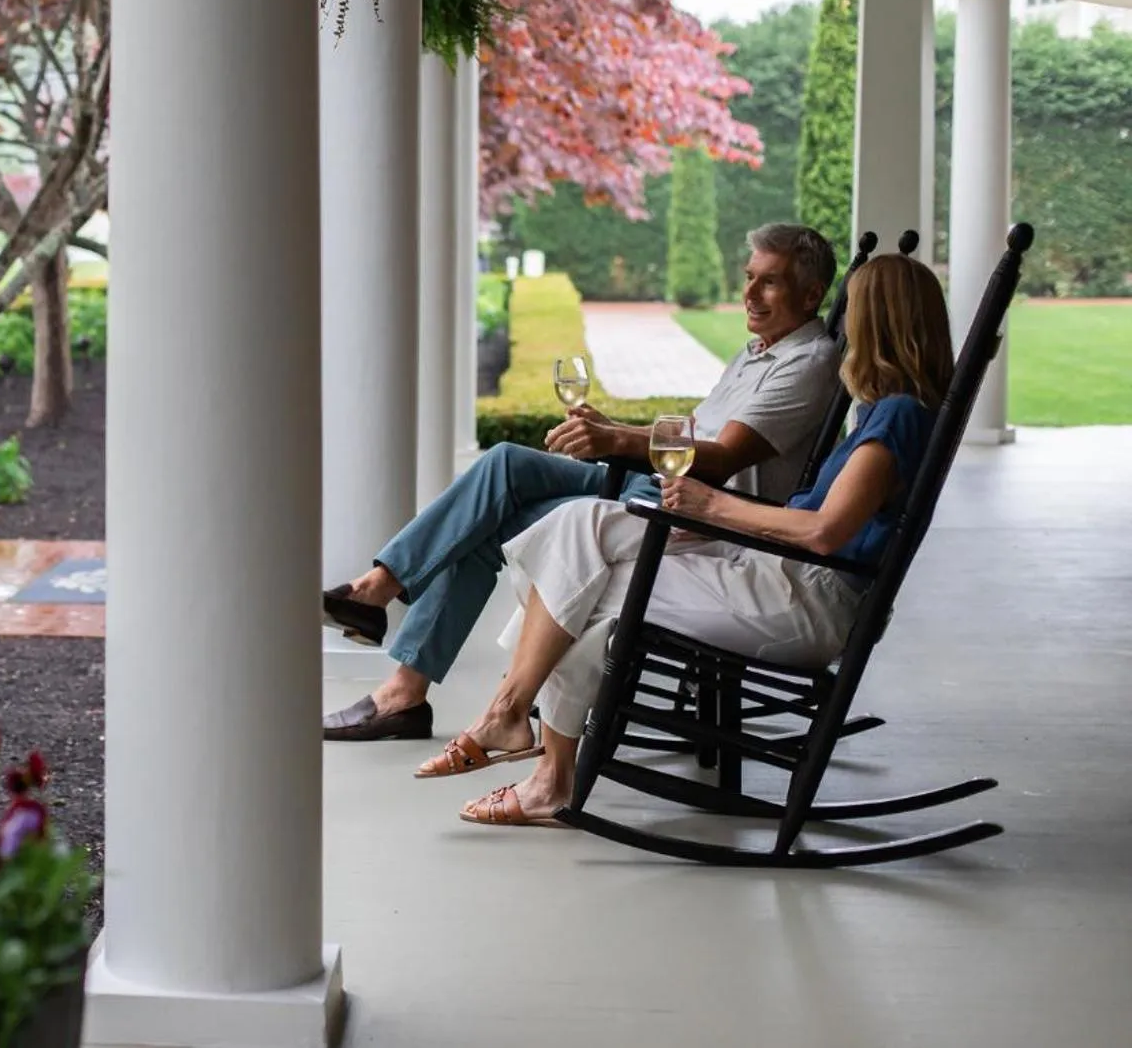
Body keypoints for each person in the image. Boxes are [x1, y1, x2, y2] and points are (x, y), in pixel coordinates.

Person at [452, 253, 950, 827]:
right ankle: (525, 734)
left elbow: (824, 531)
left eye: (853, 317)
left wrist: (716, 507)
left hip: (802, 602)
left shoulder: (898, 418)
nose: (845, 335)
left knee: (583, 583)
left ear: (877, 323)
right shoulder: (889, 412)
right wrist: (722, 521)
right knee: (578, 552)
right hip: (780, 580)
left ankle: (530, 745)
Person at [323, 224, 842, 753]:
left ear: (810, 293)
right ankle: (381, 589)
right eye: (749, 277)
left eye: (769, 283)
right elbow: (696, 430)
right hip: (656, 482)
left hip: (686, 512)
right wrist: (613, 428)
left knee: (484, 526)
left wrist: (616, 437)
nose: (750, 294)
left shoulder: (807, 364)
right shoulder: (760, 351)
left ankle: (400, 681)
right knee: (505, 464)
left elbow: (721, 459)